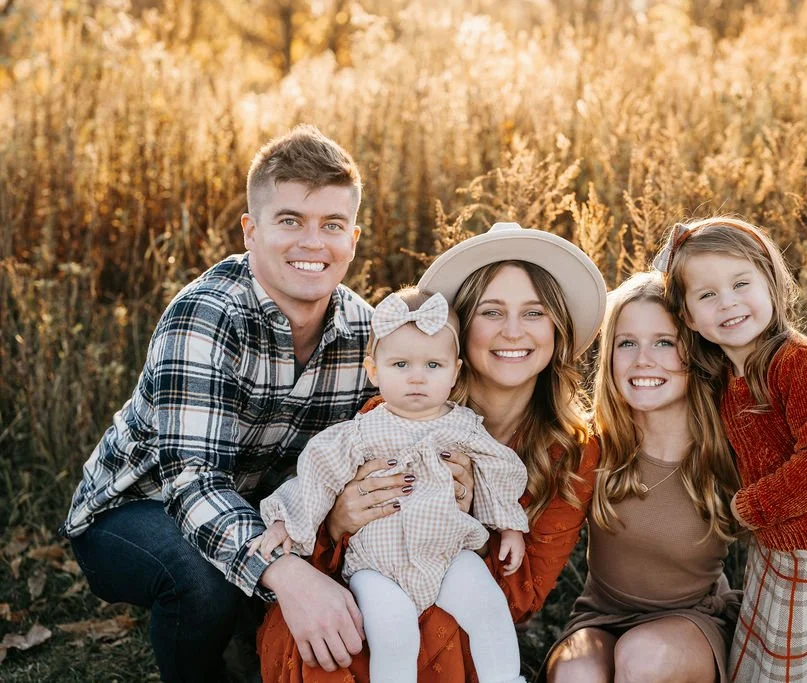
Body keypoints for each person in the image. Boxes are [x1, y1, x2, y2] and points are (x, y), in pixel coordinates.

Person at [59, 125, 408, 682]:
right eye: (290, 220)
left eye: (332, 226)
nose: (313, 243)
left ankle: (252, 640)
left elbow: (367, 447)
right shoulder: (207, 317)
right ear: (251, 230)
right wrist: (287, 571)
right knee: (201, 578)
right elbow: (191, 482)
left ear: (354, 238)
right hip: (134, 510)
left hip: (264, 509)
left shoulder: (363, 332)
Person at [257, 221, 609, 682]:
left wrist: (479, 523)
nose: (512, 332)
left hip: (460, 606)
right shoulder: (386, 415)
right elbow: (320, 492)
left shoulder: (571, 451)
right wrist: (340, 520)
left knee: (439, 632)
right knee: (331, 633)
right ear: (460, 330)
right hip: (374, 585)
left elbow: (523, 593)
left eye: (534, 312)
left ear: (557, 328)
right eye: (492, 312)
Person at [658, 216, 807, 681]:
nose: (727, 302)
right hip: (783, 544)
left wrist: (752, 506)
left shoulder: (797, 364)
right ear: (688, 316)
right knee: (772, 659)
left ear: (771, 284)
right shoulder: (728, 378)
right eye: (707, 295)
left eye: (741, 283)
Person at [250, 286, 530, 683]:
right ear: (374, 371)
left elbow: (499, 469)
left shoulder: (462, 426)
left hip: (447, 555)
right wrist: (286, 523)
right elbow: (316, 474)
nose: (417, 377)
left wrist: (509, 525)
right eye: (400, 364)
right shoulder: (362, 432)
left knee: (487, 604)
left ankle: (504, 679)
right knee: (392, 630)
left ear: (455, 372)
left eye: (433, 366)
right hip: (376, 565)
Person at [546, 271, 742, 683]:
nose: (642, 360)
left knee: (643, 657)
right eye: (627, 343)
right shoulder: (591, 448)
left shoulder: (728, 451)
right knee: (577, 675)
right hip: (600, 618)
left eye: (664, 343)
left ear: (695, 353)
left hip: (690, 621)